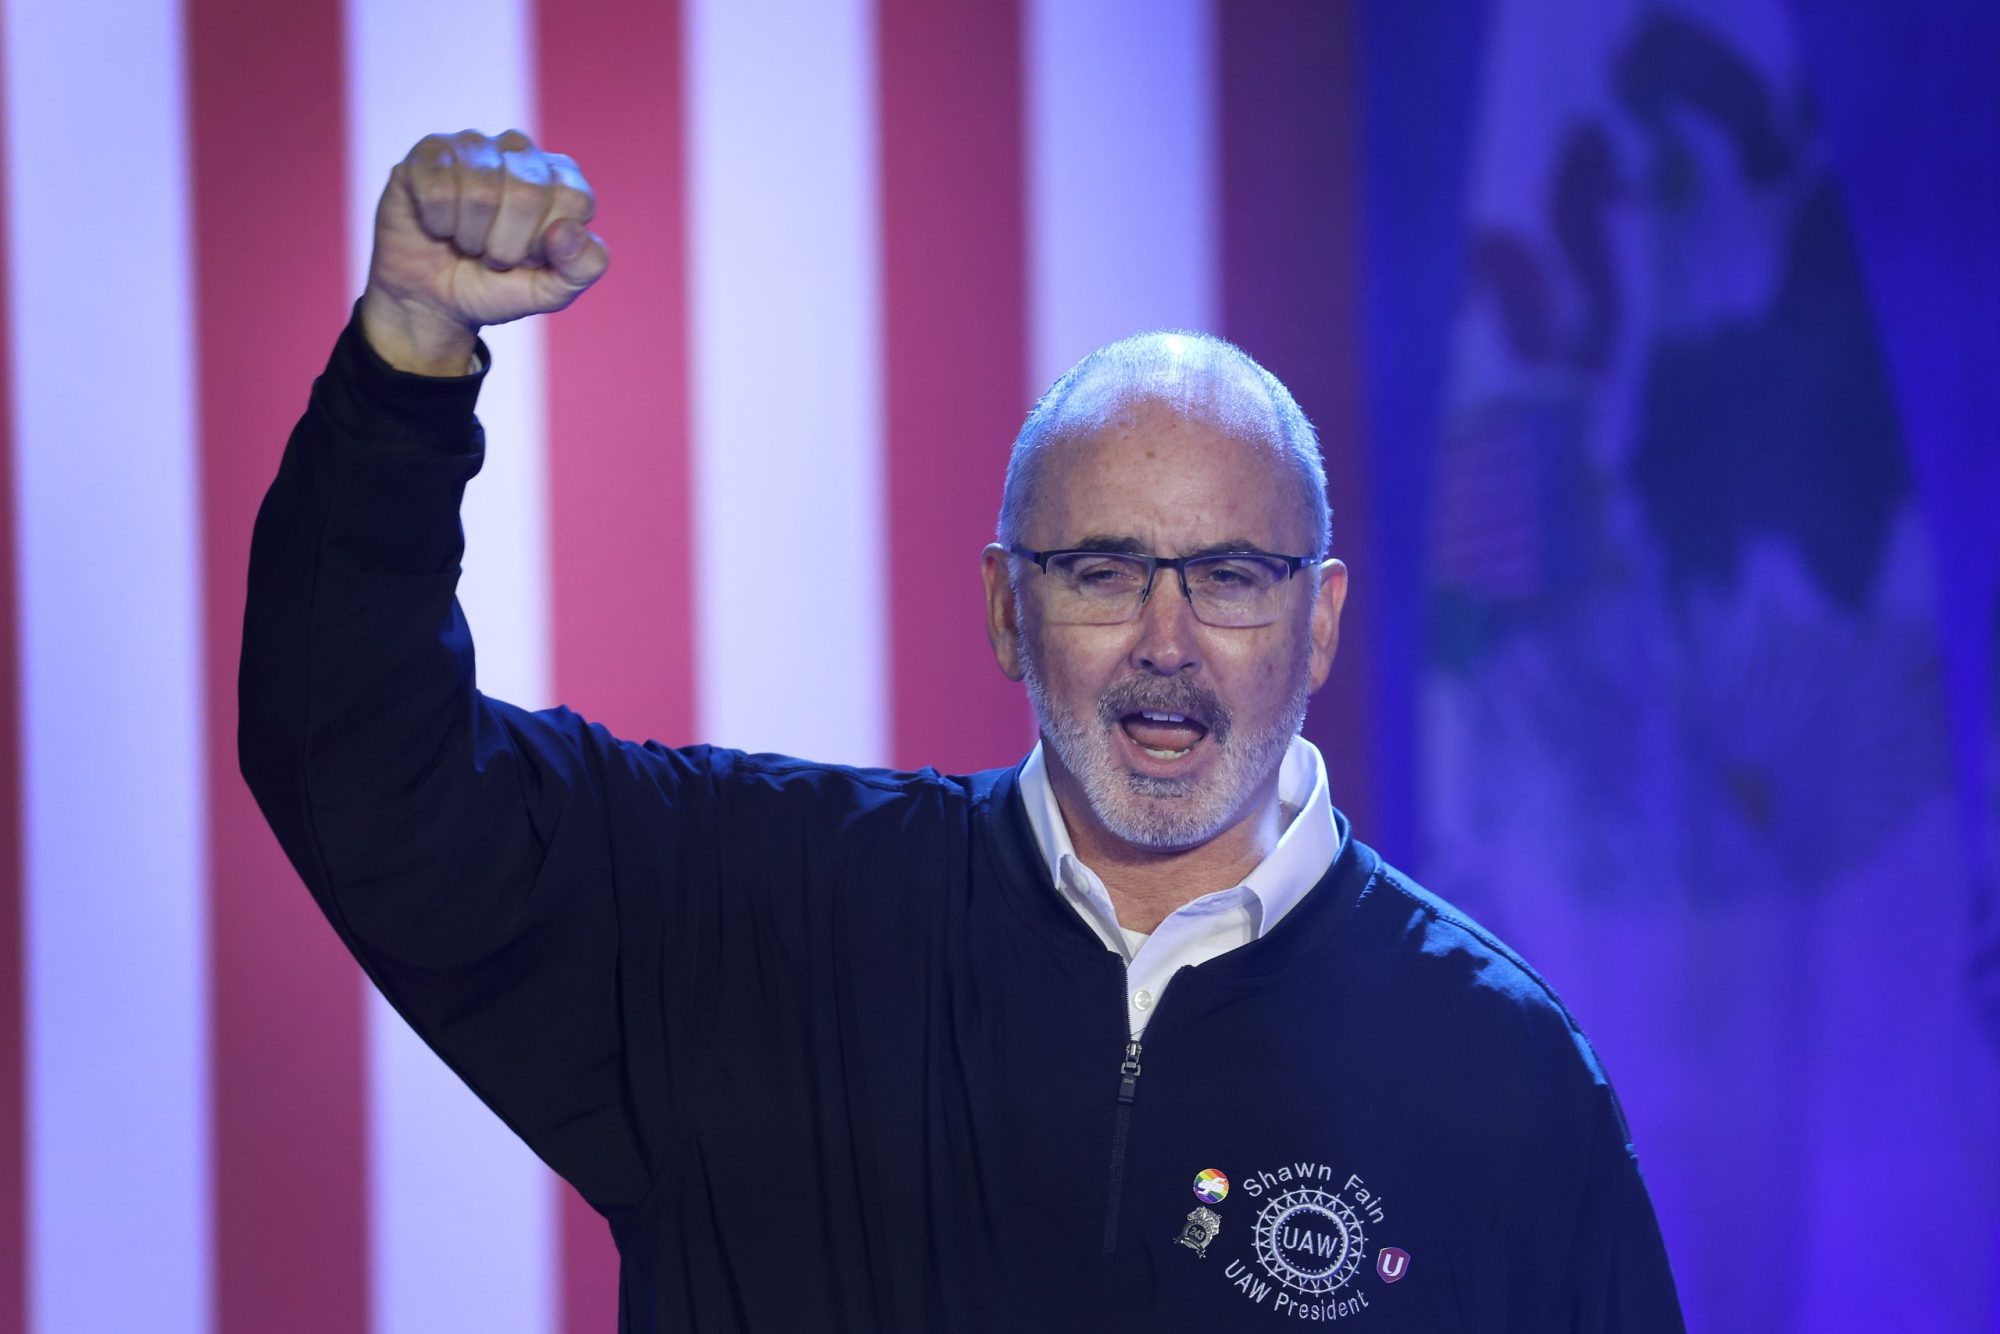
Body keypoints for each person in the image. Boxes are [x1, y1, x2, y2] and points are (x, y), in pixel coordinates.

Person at [241, 129, 1684, 1332]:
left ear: (1321, 621)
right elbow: (360, 763)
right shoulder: (751, 920)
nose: (1167, 641)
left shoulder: (1504, 1077)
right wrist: (407, 365)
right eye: (1103, 570)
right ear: (1007, 607)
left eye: (1235, 577)